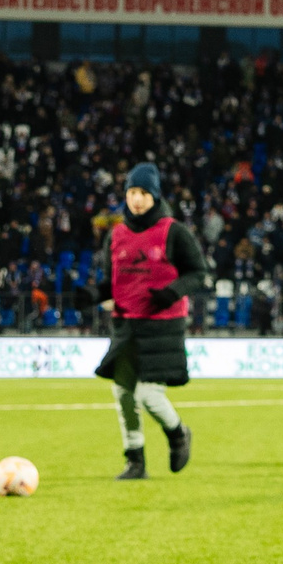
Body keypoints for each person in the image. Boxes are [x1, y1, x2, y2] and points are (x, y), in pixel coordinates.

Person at [95, 163, 207, 480]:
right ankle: (135, 460)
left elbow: (198, 272)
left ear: (155, 196)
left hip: (162, 325)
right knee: (123, 394)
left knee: (148, 394)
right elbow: (110, 281)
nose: (137, 199)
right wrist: (93, 294)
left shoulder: (174, 232)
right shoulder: (116, 235)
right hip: (126, 324)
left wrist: (171, 293)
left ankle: (177, 433)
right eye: (132, 192)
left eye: (143, 193)